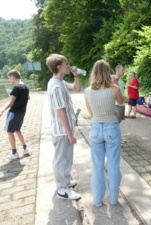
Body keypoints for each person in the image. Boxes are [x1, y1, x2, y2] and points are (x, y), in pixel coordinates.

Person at [84, 60, 123, 207]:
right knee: (113, 165)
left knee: (97, 166)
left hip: (95, 129)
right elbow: (120, 102)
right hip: (111, 128)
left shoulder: (87, 91)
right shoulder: (114, 88)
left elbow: (91, 113)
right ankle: (113, 199)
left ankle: (97, 200)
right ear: (109, 72)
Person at [46, 53, 81, 200]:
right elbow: (60, 112)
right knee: (62, 159)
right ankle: (62, 189)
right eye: (66, 64)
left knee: (65, 158)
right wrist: (70, 134)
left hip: (63, 131)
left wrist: (76, 76)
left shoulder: (59, 82)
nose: (69, 65)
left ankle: (65, 181)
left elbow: (76, 89)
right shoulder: (57, 87)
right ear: (59, 67)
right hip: (62, 132)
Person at [0, 70, 30, 160]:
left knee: (9, 131)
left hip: (14, 112)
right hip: (22, 112)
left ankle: (14, 152)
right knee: (17, 130)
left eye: (9, 78)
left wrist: (3, 109)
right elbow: (28, 98)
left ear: (13, 77)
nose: (9, 80)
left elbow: (11, 101)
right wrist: (12, 94)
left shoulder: (16, 88)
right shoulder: (25, 86)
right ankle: (25, 148)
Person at [112, 64, 128, 145]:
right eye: (122, 70)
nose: (123, 72)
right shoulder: (113, 80)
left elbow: (121, 93)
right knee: (116, 123)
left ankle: (118, 138)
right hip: (117, 105)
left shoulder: (121, 81)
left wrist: (125, 98)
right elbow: (113, 93)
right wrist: (123, 98)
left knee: (118, 122)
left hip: (122, 104)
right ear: (117, 70)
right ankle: (117, 140)